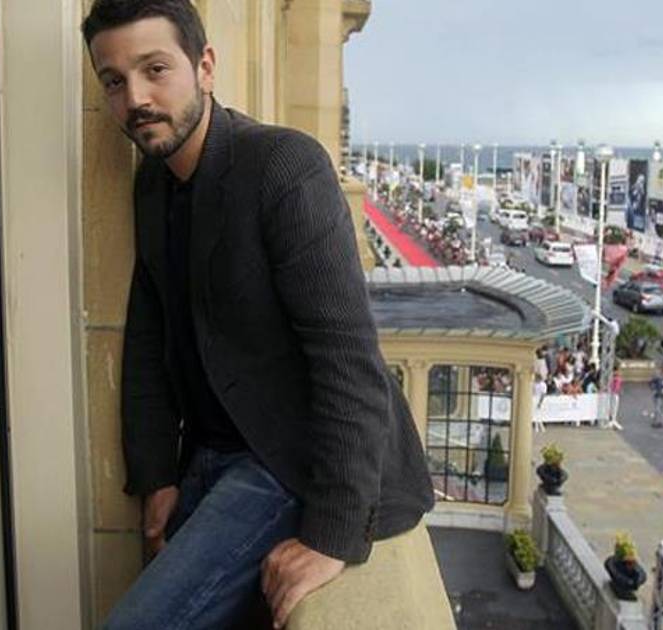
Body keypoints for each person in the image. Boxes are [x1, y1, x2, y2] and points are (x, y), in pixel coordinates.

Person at [84, 3, 433, 627]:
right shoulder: (153, 184)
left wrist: (331, 536)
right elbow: (148, 334)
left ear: (205, 66)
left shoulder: (283, 166)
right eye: (114, 81)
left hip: (286, 462)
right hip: (209, 454)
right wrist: (157, 472)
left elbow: (348, 360)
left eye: (155, 69)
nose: (135, 98)